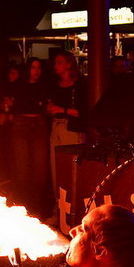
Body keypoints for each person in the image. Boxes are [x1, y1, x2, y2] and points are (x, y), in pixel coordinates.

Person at [10, 58, 50, 216]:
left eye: (39, 68)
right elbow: (9, 103)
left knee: (40, 169)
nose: (36, 71)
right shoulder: (18, 84)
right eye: (33, 67)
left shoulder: (44, 85)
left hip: (38, 123)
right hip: (21, 123)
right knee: (22, 168)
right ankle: (25, 205)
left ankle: (36, 205)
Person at [46, 50, 87, 204]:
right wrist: (50, 108)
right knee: (56, 168)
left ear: (69, 64)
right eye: (55, 63)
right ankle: (59, 207)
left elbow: (83, 111)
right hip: (56, 126)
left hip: (71, 128)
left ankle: (74, 206)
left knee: (72, 169)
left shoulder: (79, 85)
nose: (56, 66)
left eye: (60, 62)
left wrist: (62, 110)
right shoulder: (54, 85)